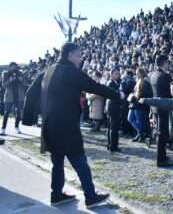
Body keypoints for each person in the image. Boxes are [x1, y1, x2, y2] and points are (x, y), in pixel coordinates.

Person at [22, 42, 120, 208]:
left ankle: (57, 195)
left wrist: (27, 118)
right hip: (66, 125)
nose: (80, 59)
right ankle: (90, 196)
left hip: (50, 125)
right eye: (78, 55)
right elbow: (94, 86)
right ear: (69, 55)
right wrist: (117, 95)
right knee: (79, 160)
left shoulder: (48, 70)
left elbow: (30, 92)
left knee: (57, 161)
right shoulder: (70, 72)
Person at [150, 55, 173, 167]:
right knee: (162, 133)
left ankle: (162, 156)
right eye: (168, 62)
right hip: (163, 107)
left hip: (155, 106)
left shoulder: (153, 75)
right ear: (164, 63)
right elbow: (171, 93)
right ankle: (161, 158)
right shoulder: (165, 76)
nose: (169, 64)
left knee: (159, 132)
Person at [1, 62, 27, 135]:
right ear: (9, 67)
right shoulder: (5, 74)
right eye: (12, 67)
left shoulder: (20, 73)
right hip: (9, 96)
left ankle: (17, 127)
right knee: (6, 113)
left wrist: (21, 79)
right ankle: (3, 129)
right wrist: (10, 80)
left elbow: (25, 84)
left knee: (18, 114)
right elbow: (3, 85)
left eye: (15, 67)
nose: (14, 68)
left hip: (18, 96)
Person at [127, 68, 153, 143]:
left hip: (139, 104)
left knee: (139, 121)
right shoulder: (138, 81)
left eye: (137, 73)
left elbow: (146, 93)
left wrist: (136, 97)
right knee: (130, 118)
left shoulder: (145, 81)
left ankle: (141, 134)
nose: (136, 74)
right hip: (134, 103)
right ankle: (141, 132)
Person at [106, 68, 123, 153]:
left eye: (118, 74)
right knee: (113, 127)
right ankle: (113, 146)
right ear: (112, 74)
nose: (118, 75)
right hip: (113, 106)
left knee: (112, 127)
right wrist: (120, 95)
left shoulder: (115, 82)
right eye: (116, 74)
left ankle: (111, 144)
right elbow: (114, 95)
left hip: (113, 106)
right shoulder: (111, 83)